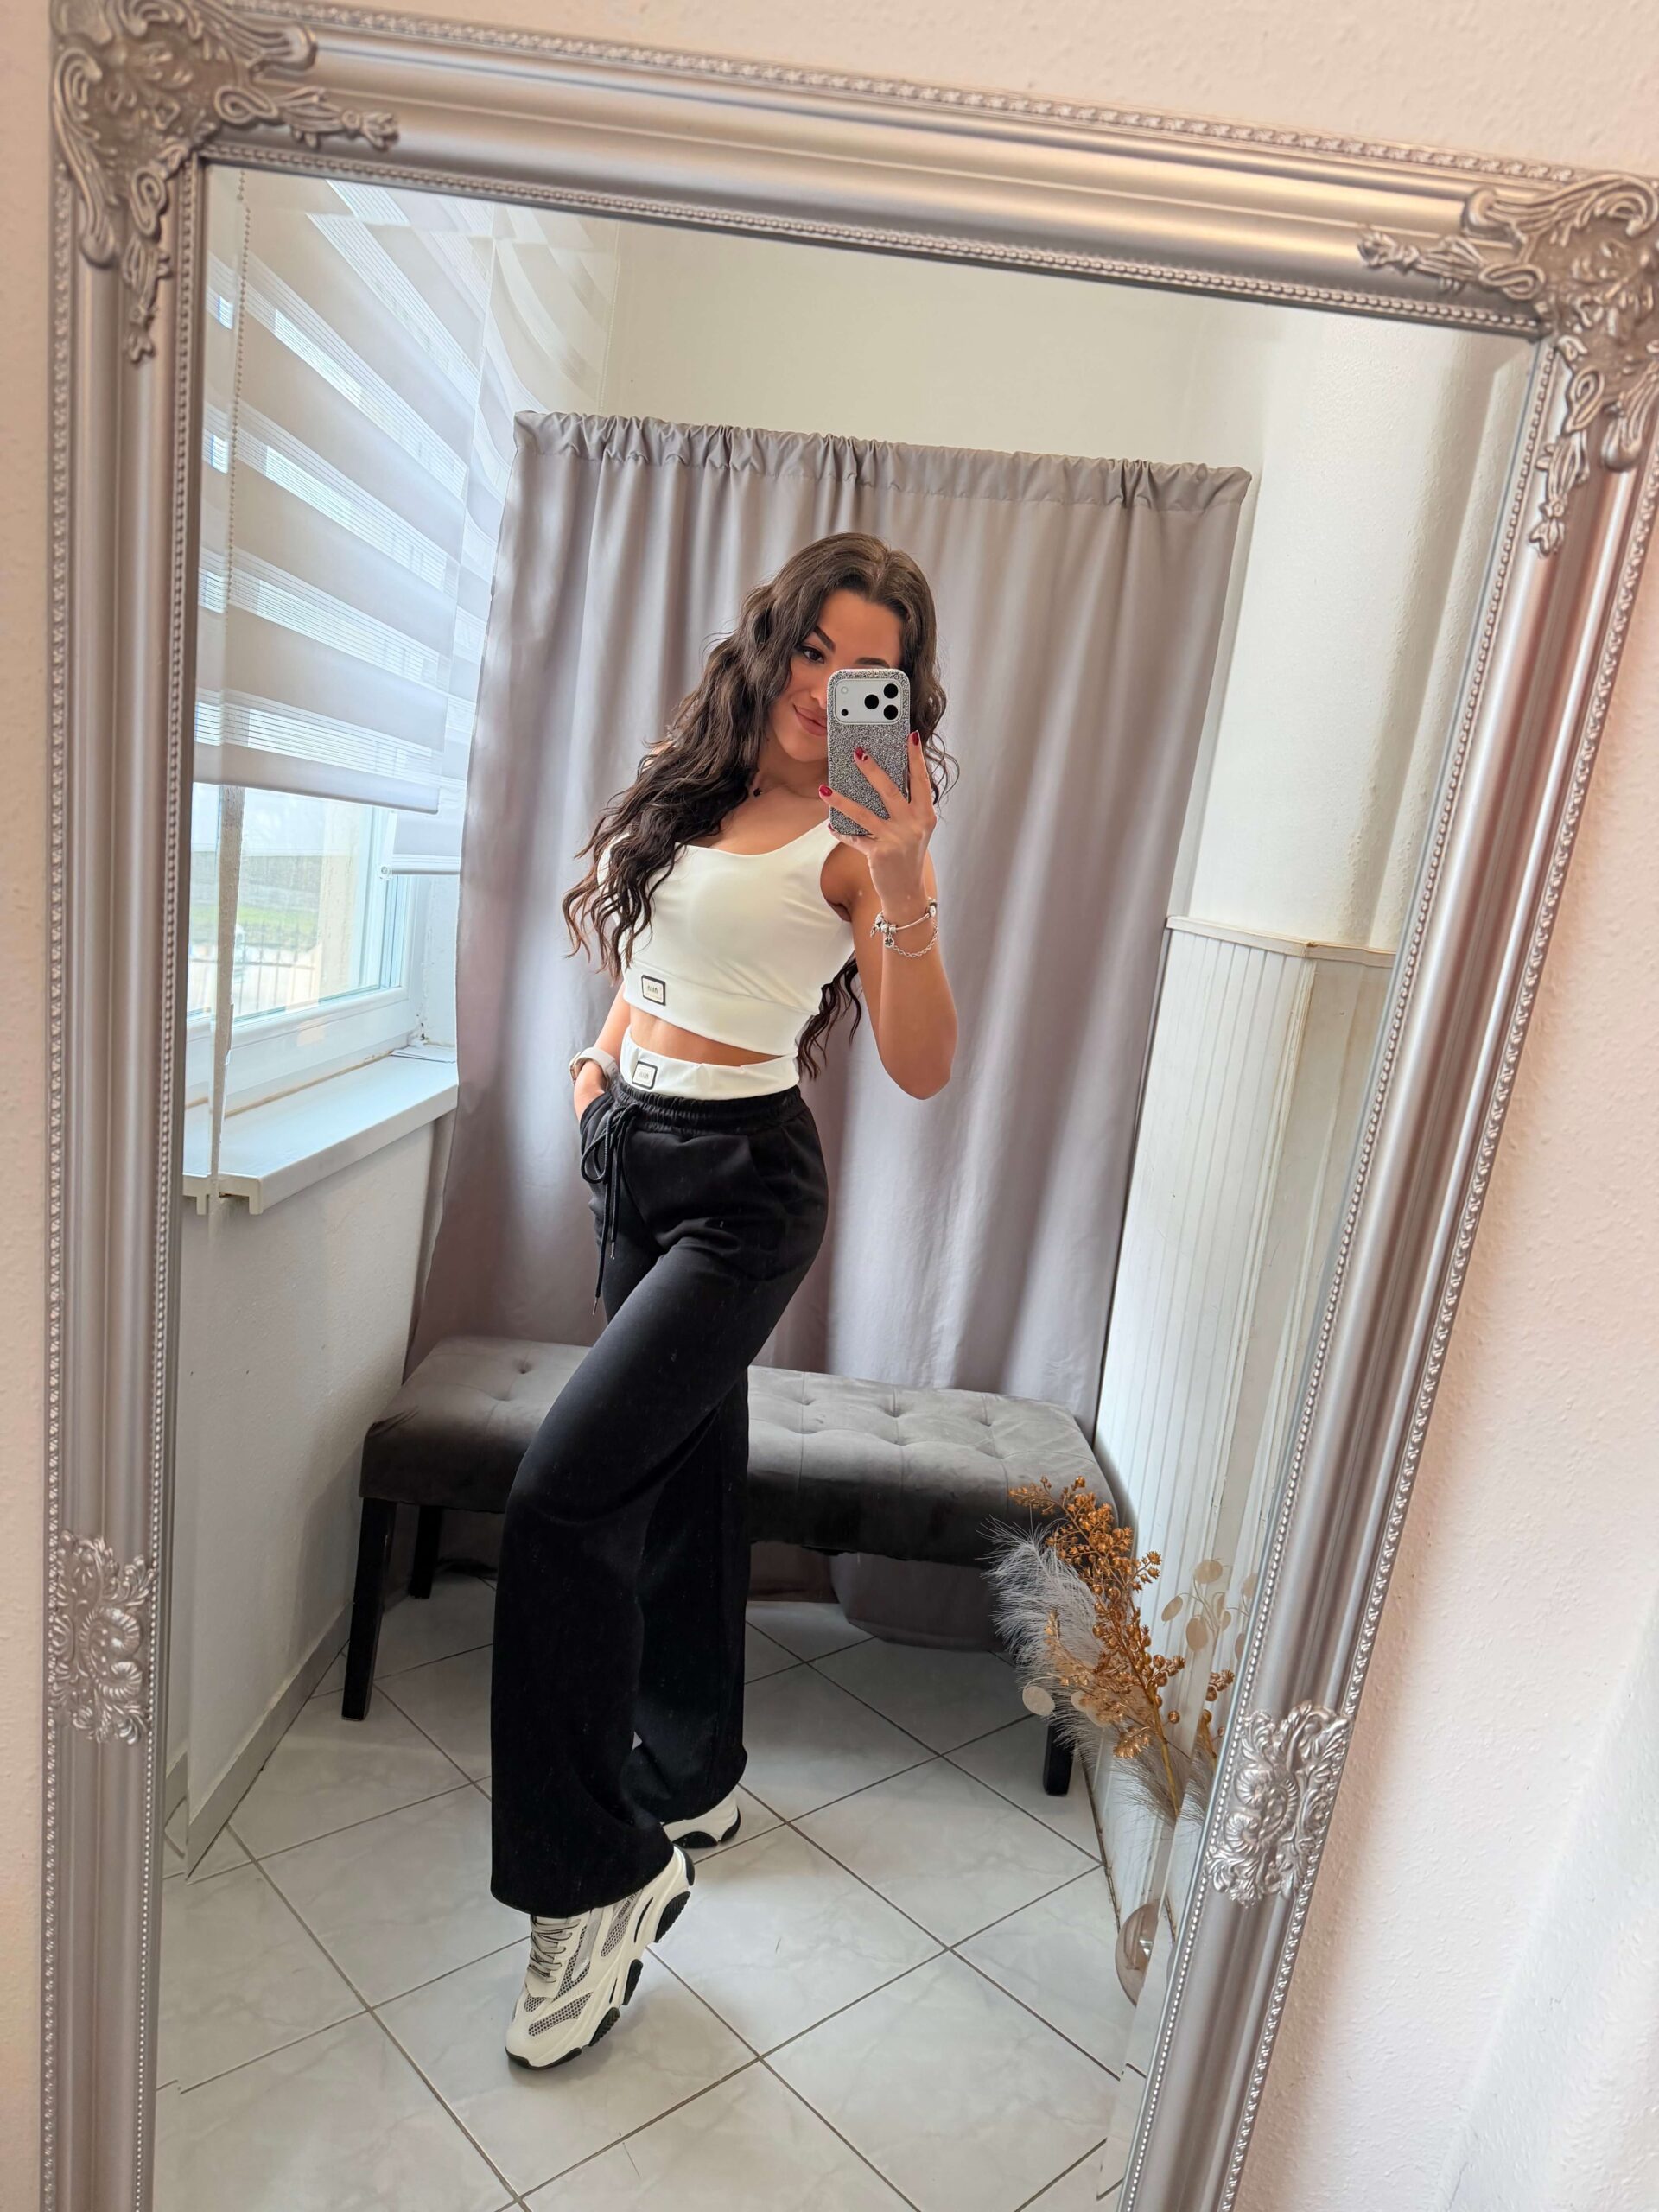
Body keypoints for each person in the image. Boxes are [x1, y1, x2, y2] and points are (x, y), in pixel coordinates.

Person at [490, 531, 959, 2067]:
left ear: (902, 697)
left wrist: (905, 875)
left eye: (868, 670)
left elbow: (922, 1061)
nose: (829, 689)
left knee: (564, 1497)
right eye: (815, 650)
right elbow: (651, 956)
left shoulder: (855, 839)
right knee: (687, 1478)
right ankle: (691, 1775)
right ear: (773, 643)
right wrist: (596, 1069)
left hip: (746, 1190)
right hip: (633, 1151)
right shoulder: (694, 793)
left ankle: (598, 1877)